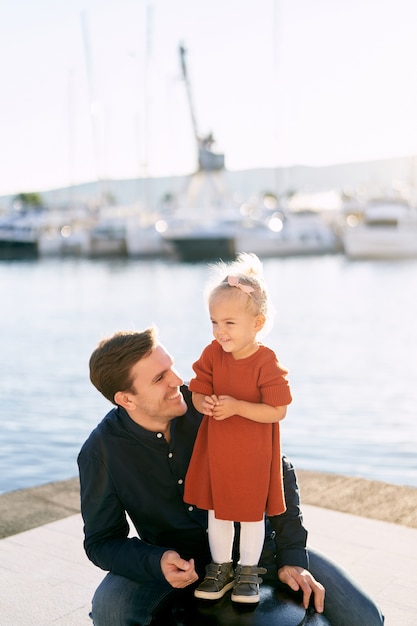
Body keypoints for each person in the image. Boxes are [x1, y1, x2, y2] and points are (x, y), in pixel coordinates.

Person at [78, 326, 384, 626]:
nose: (178, 380)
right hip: (183, 564)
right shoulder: (100, 453)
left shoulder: (211, 404)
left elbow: (278, 472)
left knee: (366, 618)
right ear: (126, 399)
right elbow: (102, 541)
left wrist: (292, 556)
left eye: (170, 367)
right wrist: (155, 562)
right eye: (159, 378)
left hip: (262, 550)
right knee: (109, 609)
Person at [184, 253, 291, 603]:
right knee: (217, 512)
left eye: (229, 323)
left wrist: (237, 407)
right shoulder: (213, 354)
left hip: (253, 454)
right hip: (218, 450)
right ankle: (220, 567)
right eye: (214, 322)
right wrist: (206, 405)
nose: (219, 331)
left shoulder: (266, 361)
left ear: (257, 323)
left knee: (249, 514)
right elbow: (197, 391)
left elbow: (278, 410)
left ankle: (248, 570)